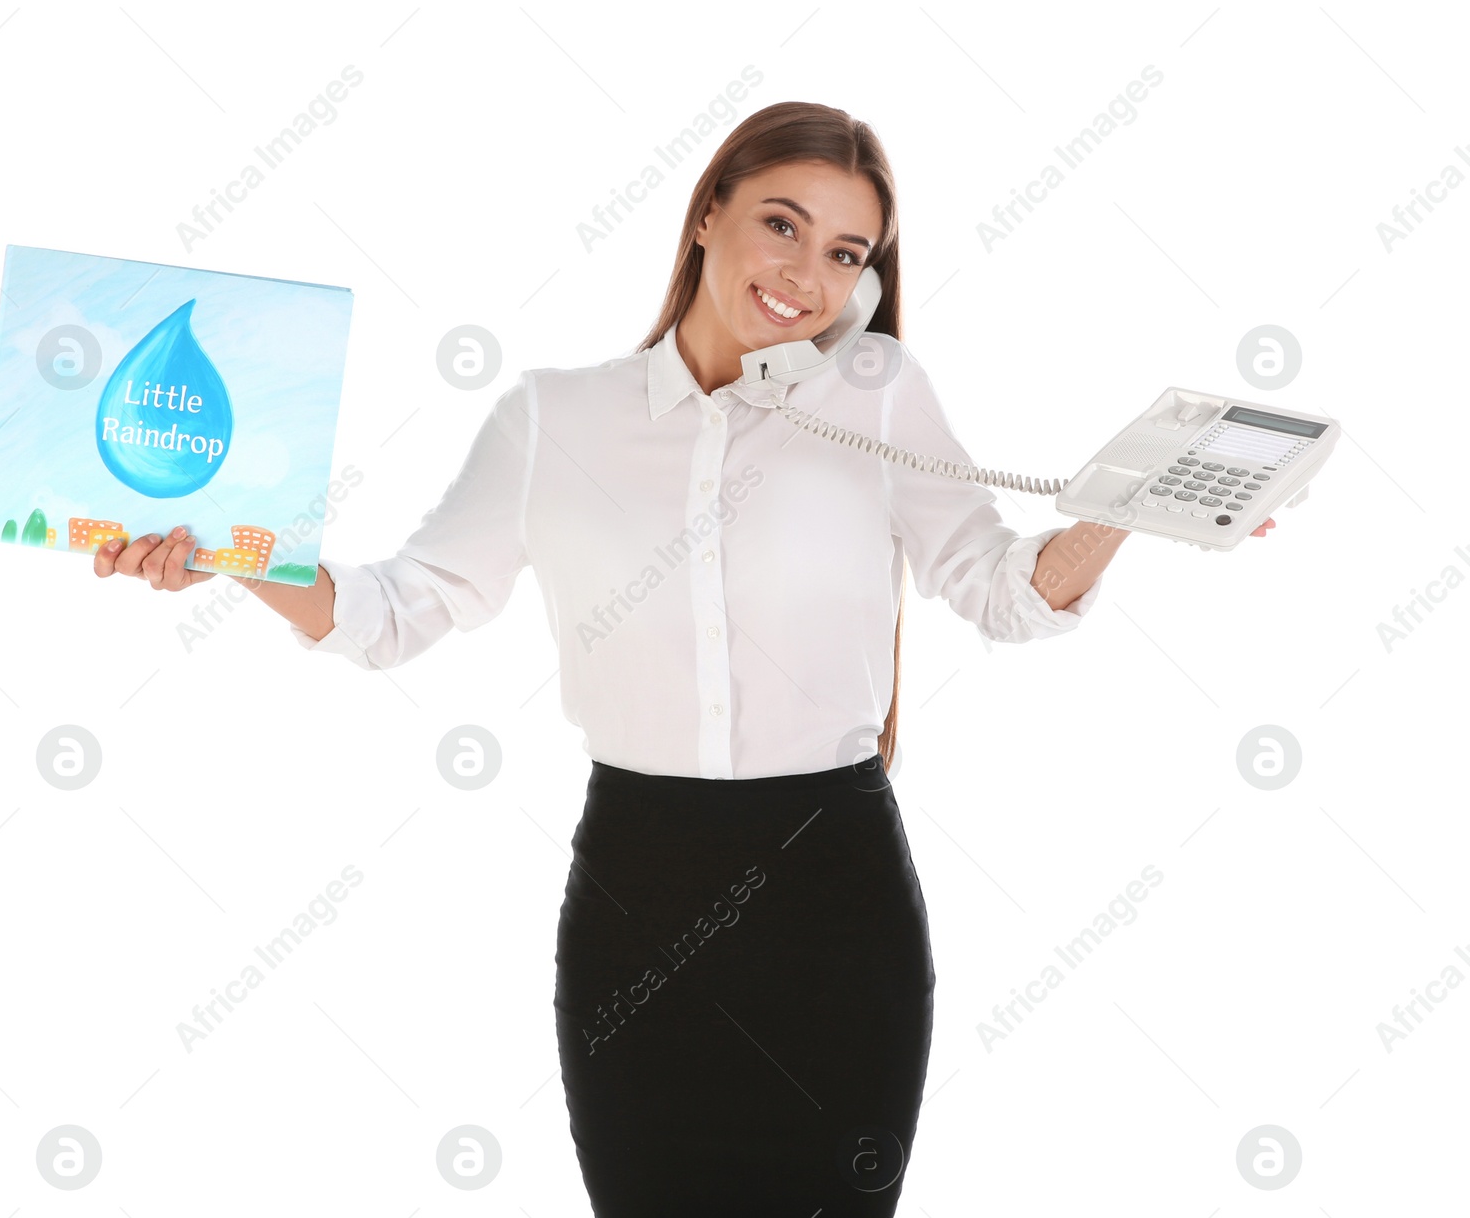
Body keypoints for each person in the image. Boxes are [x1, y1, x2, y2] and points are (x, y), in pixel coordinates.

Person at [94, 100, 1273, 1215]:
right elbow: (397, 610)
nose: (806, 276)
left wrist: (1131, 507)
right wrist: (233, 554)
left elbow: (1002, 595)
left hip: (836, 899)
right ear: (707, 211)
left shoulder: (874, 391)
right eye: (781, 224)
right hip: (636, 899)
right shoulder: (553, 415)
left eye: (847, 254)